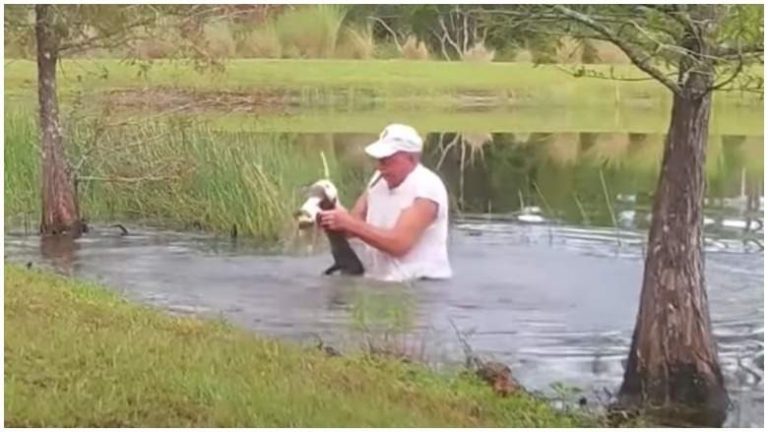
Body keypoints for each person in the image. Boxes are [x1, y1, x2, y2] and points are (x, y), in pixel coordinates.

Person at [318, 123, 452, 282]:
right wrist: (330, 213)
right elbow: (351, 227)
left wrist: (348, 223)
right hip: (383, 282)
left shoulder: (427, 189)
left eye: (388, 160)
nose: (380, 167)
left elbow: (398, 244)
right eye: (380, 160)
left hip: (422, 285)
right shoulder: (378, 179)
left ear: (411, 158)